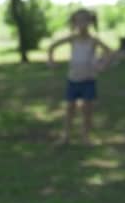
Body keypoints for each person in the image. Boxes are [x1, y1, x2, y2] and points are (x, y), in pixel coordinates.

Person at [48, 9, 112, 145]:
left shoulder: (93, 40)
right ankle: (66, 136)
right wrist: (51, 61)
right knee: (70, 108)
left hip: (89, 80)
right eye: (78, 20)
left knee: (87, 110)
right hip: (73, 80)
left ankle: (85, 137)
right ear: (74, 22)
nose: (82, 23)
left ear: (90, 22)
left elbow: (108, 51)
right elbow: (52, 47)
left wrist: (103, 65)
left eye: (85, 20)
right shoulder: (72, 38)